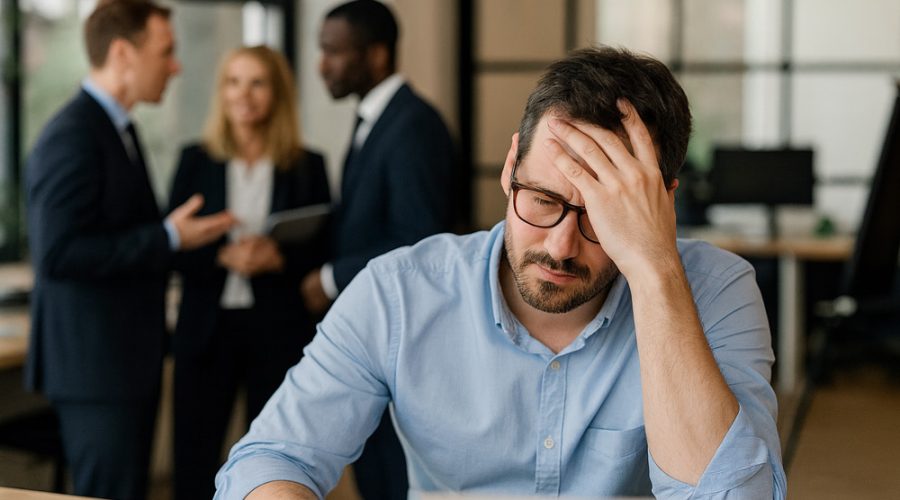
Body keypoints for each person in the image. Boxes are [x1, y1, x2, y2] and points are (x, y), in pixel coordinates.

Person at [216, 47, 787, 499]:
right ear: (512, 166)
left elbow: (733, 496)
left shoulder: (715, 289)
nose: (561, 247)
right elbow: (271, 457)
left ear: (661, 206)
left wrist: (656, 269)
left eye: (604, 217)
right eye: (541, 199)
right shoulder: (399, 291)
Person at [24, 1, 235, 499]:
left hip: (123, 363)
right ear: (123, 53)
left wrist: (182, 240)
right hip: (95, 370)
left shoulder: (120, 129)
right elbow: (58, 253)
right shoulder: (72, 136)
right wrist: (166, 238)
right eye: (166, 52)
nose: (176, 65)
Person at [300, 1, 456, 497]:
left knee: (391, 477)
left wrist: (329, 279)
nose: (322, 63)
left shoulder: (413, 126)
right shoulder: (377, 118)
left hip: (404, 335)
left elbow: (419, 239)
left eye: (333, 51)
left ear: (378, 55)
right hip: (377, 330)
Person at [168, 45, 331, 500]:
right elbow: (171, 247)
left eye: (257, 82)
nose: (244, 94)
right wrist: (221, 256)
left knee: (271, 459)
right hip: (206, 328)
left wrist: (276, 259)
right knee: (194, 458)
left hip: (276, 329)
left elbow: (324, 245)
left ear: (276, 92)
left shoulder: (307, 165)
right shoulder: (194, 161)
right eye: (234, 81)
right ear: (221, 92)